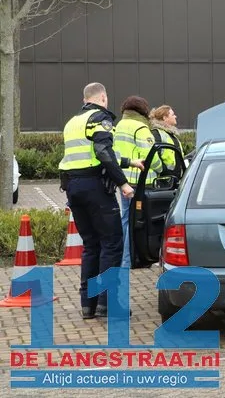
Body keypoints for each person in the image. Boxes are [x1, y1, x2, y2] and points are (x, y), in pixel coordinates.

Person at [57, 82, 143, 319]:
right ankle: (109, 303)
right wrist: (123, 184)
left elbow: (96, 152)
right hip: (95, 187)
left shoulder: (73, 122)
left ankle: (89, 304)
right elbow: (103, 152)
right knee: (112, 243)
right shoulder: (100, 118)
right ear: (103, 97)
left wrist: (129, 162)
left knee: (91, 245)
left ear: (85, 99)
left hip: (73, 187)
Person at [113, 96, 163, 268]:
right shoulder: (141, 128)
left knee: (125, 218)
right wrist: (161, 168)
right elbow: (150, 155)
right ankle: (130, 260)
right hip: (140, 181)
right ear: (143, 110)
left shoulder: (119, 125)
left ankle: (122, 258)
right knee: (137, 221)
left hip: (123, 180)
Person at [149, 105, 184, 178]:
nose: (175, 116)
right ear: (164, 118)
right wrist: (164, 171)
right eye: (173, 114)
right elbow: (154, 157)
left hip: (174, 180)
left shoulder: (172, 135)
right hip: (163, 180)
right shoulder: (156, 134)